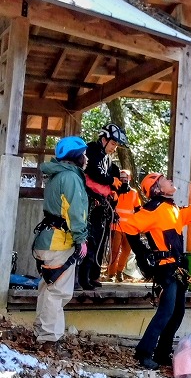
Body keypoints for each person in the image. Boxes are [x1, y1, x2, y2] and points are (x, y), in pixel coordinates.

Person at [122, 166, 191, 369]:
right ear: (156, 188)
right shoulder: (152, 208)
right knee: (166, 311)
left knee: (177, 312)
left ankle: (163, 352)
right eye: (164, 179)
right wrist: (142, 253)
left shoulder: (173, 209)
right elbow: (128, 226)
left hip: (178, 267)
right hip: (165, 269)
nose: (170, 180)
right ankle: (144, 352)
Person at [33, 136, 89, 349]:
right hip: (59, 242)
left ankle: (41, 331)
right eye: (83, 153)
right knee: (58, 291)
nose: (86, 158)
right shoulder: (71, 178)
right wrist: (81, 239)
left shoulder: (56, 175)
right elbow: (75, 212)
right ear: (76, 156)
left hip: (47, 239)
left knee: (47, 288)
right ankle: (49, 339)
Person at [79, 123, 128, 290]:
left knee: (101, 240)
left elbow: (114, 174)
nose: (114, 148)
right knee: (90, 241)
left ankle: (94, 275)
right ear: (104, 139)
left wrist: (120, 185)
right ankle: (83, 278)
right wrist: (110, 180)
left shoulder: (108, 159)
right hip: (90, 201)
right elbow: (93, 171)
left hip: (103, 205)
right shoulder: (91, 150)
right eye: (113, 144)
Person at [106, 169, 141, 282]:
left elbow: (138, 209)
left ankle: (120, 272)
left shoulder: (134, 193)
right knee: (115, 251)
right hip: (116, 226)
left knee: (126, 251)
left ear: (129, 178)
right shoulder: (114, 191)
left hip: (130, 228)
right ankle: (111, 274)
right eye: (121, 177)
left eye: (125, 177)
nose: (123, 179)